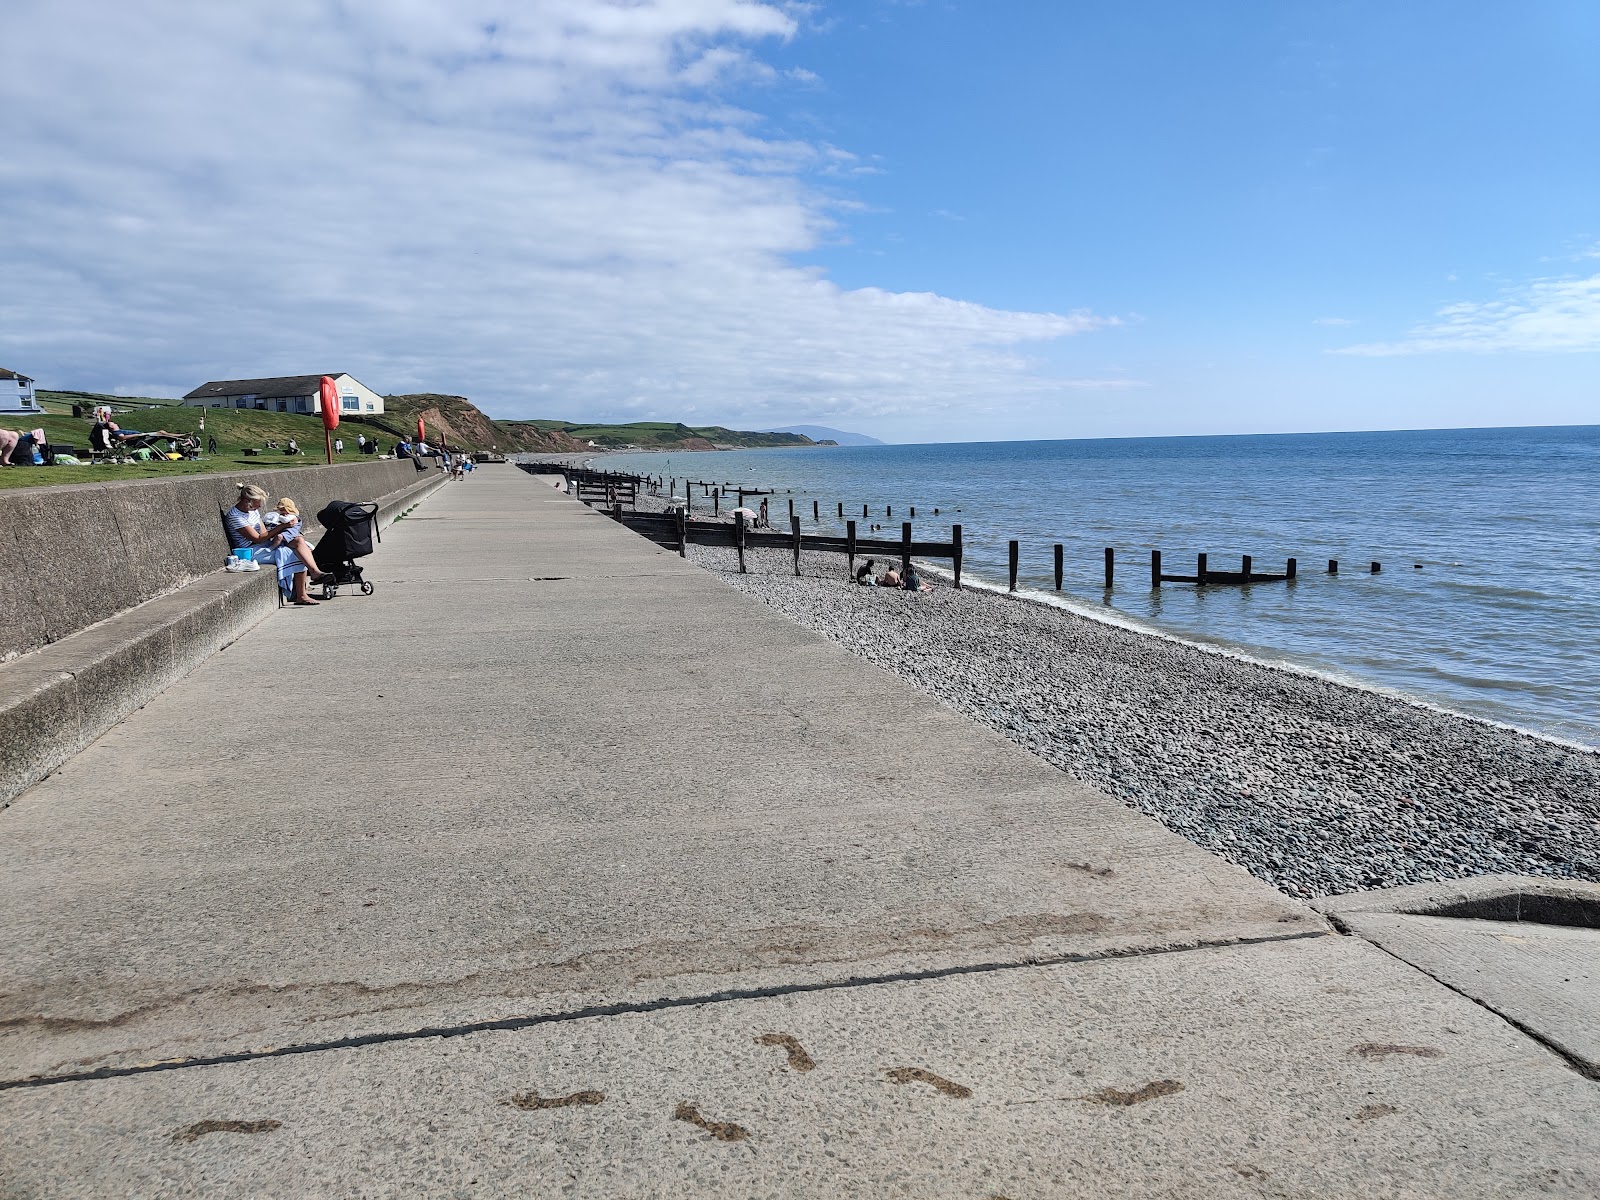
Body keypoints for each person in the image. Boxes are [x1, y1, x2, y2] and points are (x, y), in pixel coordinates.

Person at [224, 483, 327, 605]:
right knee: (295, 554)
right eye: (257, 504)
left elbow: (264, 533)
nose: (260, 506)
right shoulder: (235, 516)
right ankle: (301, 595)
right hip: (251, 550)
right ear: (247, 501)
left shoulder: (252, 511)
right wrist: (283, 526)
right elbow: (257, 538)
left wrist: (287, 528)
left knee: (300, 541)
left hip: (263, 544)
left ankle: (315, 572)